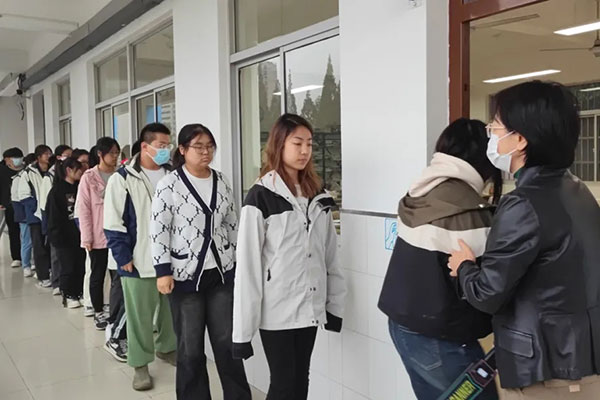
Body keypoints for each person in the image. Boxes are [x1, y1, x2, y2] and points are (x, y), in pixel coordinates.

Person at [448, 80, 600, 399]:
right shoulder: (577, 189)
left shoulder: (523, 203)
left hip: (545, 371)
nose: (490, 133)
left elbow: (488, 294)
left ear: (519, 139)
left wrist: (464, 267)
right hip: (581, 358)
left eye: (496, 126)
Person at [378, 118, 501, 400]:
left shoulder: (421, 191)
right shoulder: (468, 210)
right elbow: (488, 289)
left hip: (403, 324)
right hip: (440, 336)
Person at [232, 114, 346, 399]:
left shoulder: (316, 194)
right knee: (283, 383)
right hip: (277, 310)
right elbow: (248, 268)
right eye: (297, 143)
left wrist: (334, 305)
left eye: (309, 143)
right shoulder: (260, 196)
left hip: (310, 306)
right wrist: (242, 332)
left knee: (300, 379)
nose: (305, 150)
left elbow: (330, 254)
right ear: (279, 145)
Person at [151, 124, 251, 399]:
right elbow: (159, 230)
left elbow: (232, 223)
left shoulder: (221, 180)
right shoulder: (169, 185)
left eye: (209, 146)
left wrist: (237, 262)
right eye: (198, 146)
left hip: (220, 274)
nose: (206, 152)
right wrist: (162, 271)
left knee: (227, 343)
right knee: (190, 348)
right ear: (183, 150)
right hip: (185, 277)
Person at [105, 122, 177, 391]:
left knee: (170, 312)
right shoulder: (123, 178)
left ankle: (167, 348)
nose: (166, 150)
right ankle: (140, 364)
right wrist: (123, 257)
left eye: (168, 145)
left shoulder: (173, 174)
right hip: (138, 260)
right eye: (161, 145)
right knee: (139, 318)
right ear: (145, 146)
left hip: (172, 260)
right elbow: (112, 222)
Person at [76, 138, 120, 328]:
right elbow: (84, 209)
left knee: (118, 276)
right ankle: (98, 311)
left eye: (117, 153)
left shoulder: (121, 174)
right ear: (100, 154)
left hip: (118, 233)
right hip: (97, 234)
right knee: (98, 273)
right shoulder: (89, 177)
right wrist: (86, 237)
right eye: (112, 153)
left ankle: (115, 310)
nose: (115, 156)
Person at [46, 157, 86, 308]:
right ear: (69, 170)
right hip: (63, 236)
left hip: (79, 234)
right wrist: (56, 237)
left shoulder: (79, 187)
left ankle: (79, 292)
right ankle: (68, 294)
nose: (81, 172)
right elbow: (53, 217)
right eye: (78, 169)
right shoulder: (56, 191)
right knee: (68, 267)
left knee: (80, 265)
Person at [18, 145, 53, 287]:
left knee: (51, 245)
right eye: (46, 154)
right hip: (35, 216)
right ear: (38, 157)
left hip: (51, 214)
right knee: (38, 246)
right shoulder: (28, 173)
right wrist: (37, 207)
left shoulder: (53, 171)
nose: (49, 156)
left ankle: (51, 270)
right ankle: (43, 276)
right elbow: (23, 195)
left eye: (50, 153)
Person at [40, 144, 72, 296]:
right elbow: (45, 203)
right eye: (67, 155)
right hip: (53, 216)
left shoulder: (71, 174)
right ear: (59, 157)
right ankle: (56, 281)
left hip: (68, 218)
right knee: (56, 253)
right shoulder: (50, 176)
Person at [0, 147, 25, 268]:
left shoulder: (26, 169)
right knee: (13, 230)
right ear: (7, 160)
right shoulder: (2, 171)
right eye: (14, 158)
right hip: (9, 204)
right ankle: (16, 257)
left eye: (19, 157)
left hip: (24, 203)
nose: (17, 160)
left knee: (26, 231)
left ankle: (28, 256)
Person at [12, 153, 35, 277]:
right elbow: (16, 200)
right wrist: (24, 216)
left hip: (34, 214)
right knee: (27, 241)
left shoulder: (34, 175)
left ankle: (34, 262)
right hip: (24, 215)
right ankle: (26, 265)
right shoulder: (19, 178)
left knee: (35, 241)